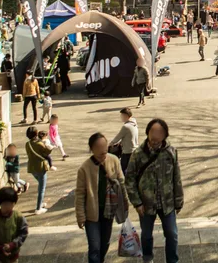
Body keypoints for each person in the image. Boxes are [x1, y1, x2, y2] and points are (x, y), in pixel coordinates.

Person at [125, 119, 183, 263]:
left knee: (172, 234)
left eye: (158, 140)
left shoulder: (171, 152)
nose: (154, 143)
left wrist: (179, 201)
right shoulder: (138, 154)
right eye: (152, 140)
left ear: (164, 136)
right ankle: (148, 258)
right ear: (147, 134)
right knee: (146, 235)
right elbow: (129, 180)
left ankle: (172, 260)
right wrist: (137, 203)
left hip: (167, 202)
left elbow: (176, 177)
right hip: (146, 203)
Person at [76, 132, 128, 263]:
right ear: (92, 149)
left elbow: (122, 184)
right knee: (94, 246)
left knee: (104, 244)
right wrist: (80, 216)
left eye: (105, 148)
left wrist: (125, 206)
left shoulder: (114, 160)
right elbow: (80, 194)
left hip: (108, 211)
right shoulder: (84, 168)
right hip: (91, 214)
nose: (103, 153)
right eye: (100, 151)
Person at [0, 187, 28, 263]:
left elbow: (23, 233)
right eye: (6, 204)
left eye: (12, 203)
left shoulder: (19, 217)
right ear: (0, 203)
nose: (9, 206)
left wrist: (13, 244)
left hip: (12, 255)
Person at [25, 126, 52, 215]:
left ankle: (40, 203)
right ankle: (38, 208)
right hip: (40, 167)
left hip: (32, 168)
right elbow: (47, 151)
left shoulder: (27, 144)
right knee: (41, 188)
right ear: (36, 134)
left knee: (41, 185)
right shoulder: (39, 144)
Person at [110, 108, 139, 173]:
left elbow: (117, 138)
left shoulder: (126, 127)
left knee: (122, 170)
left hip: (127, 152)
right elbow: (129, 136)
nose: (121, 117)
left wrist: (109, 145)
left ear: (126, 116)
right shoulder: (135, 124)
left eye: (122, 116)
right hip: (134, 150)